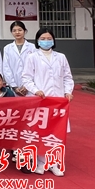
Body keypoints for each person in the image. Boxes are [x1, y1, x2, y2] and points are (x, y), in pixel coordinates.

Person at [21, 28, 73, 177]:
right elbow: (26, 78)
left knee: (56, 132)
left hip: (58, 101)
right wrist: (35, 90)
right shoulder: (32, 57)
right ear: (37, 41)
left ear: (53, 40)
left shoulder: (61, 57)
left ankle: (54, 163)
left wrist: (68, 91)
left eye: (49, 38)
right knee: (40, 132)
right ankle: (41, 162)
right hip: (40, 100)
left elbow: (67, 77)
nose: (46, 41)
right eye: (43, 38)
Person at [3, 21, 34, 96]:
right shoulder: (7, 48)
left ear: (25, 31)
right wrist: (14, 86)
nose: (17, 32)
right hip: (14, 87)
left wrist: (27, 85)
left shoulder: (33, 47)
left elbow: (35, 68)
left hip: (30, 86)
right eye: (14, 30)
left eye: (20, 30)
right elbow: (6, 68)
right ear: (11, 32)